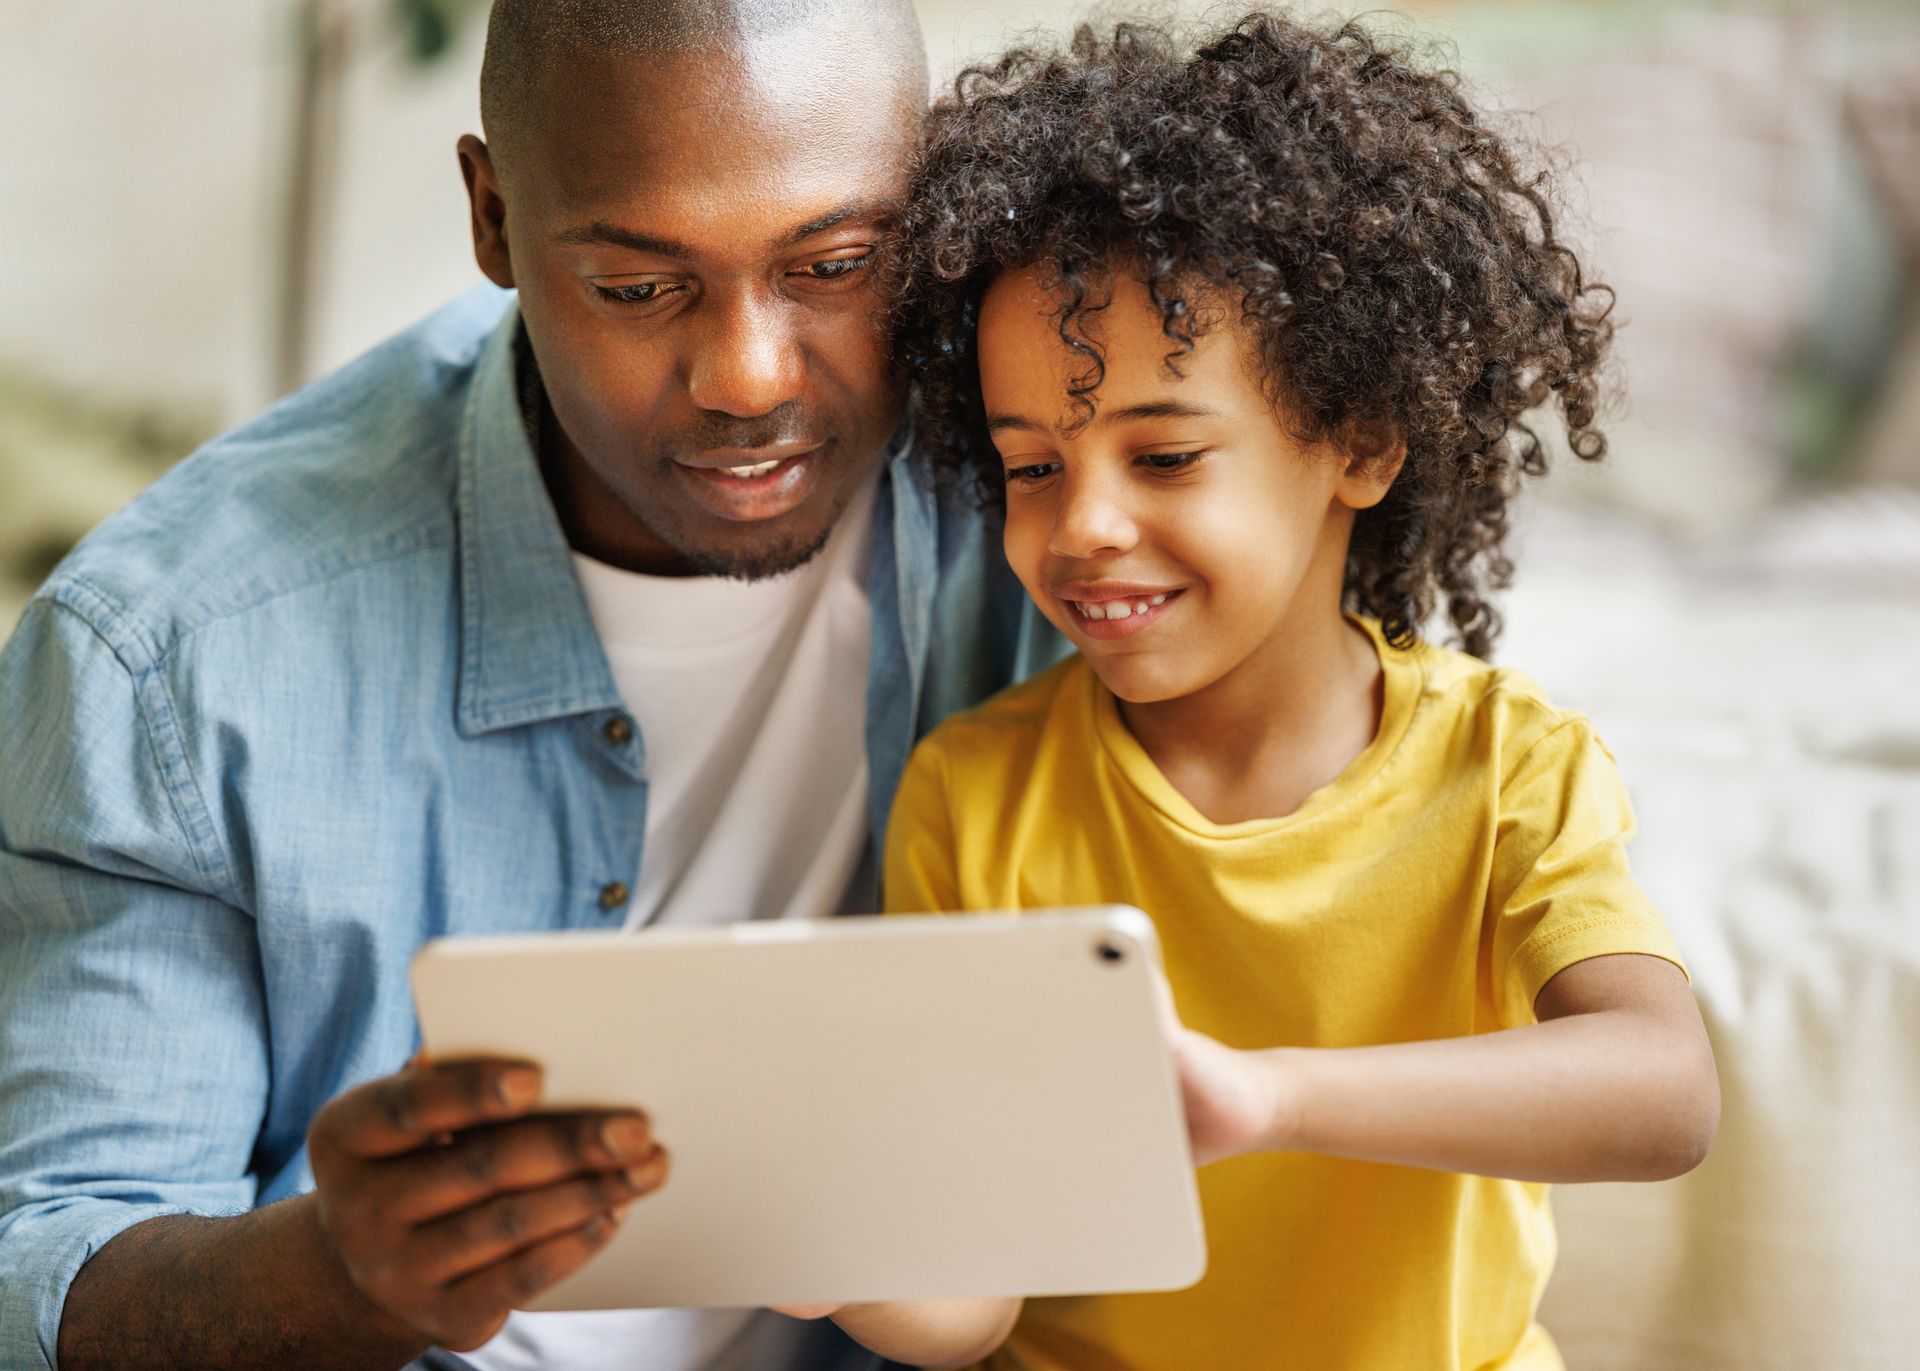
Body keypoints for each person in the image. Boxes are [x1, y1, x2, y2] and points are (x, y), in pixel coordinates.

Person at [0, 2, 1057, 1368]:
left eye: (838, 264)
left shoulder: (1053, 492)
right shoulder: (168, 655)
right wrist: (338, 1274)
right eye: (637, 287)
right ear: (493, 216)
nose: (748, 377)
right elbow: (49, 1268)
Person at [791, 12, 1722, 1369]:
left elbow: (1663, 1094)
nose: (1083, 525)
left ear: (1356, 444)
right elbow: (968, 1310)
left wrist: (1269, 1098)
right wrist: (824, 1245)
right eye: (1032, 466)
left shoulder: (1509, 768)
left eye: (1163, 458)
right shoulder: (976, 796)